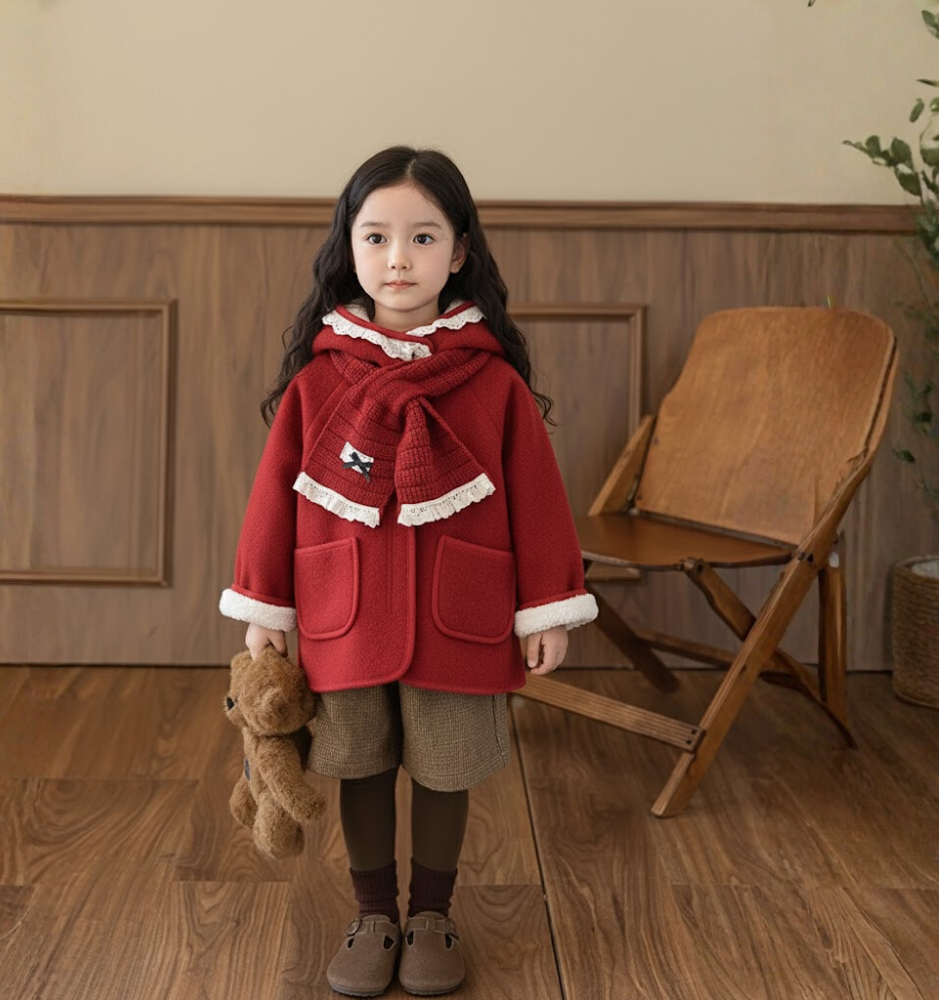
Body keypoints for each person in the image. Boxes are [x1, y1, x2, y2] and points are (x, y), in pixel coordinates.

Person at [219, 145, 597, 997]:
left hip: (460, 611)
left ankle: (430, 914)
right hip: (342, 608)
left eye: (423, 238)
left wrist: (546, 609)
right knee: (356, 759)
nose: (399, 258)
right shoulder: (320, 380)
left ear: (459, 252)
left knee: (444, 765)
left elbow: (538, 500)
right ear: (348, 248)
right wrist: (265, 606)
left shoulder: (492, 382)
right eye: (377, 236)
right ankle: (373, 914)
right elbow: (273, 497)